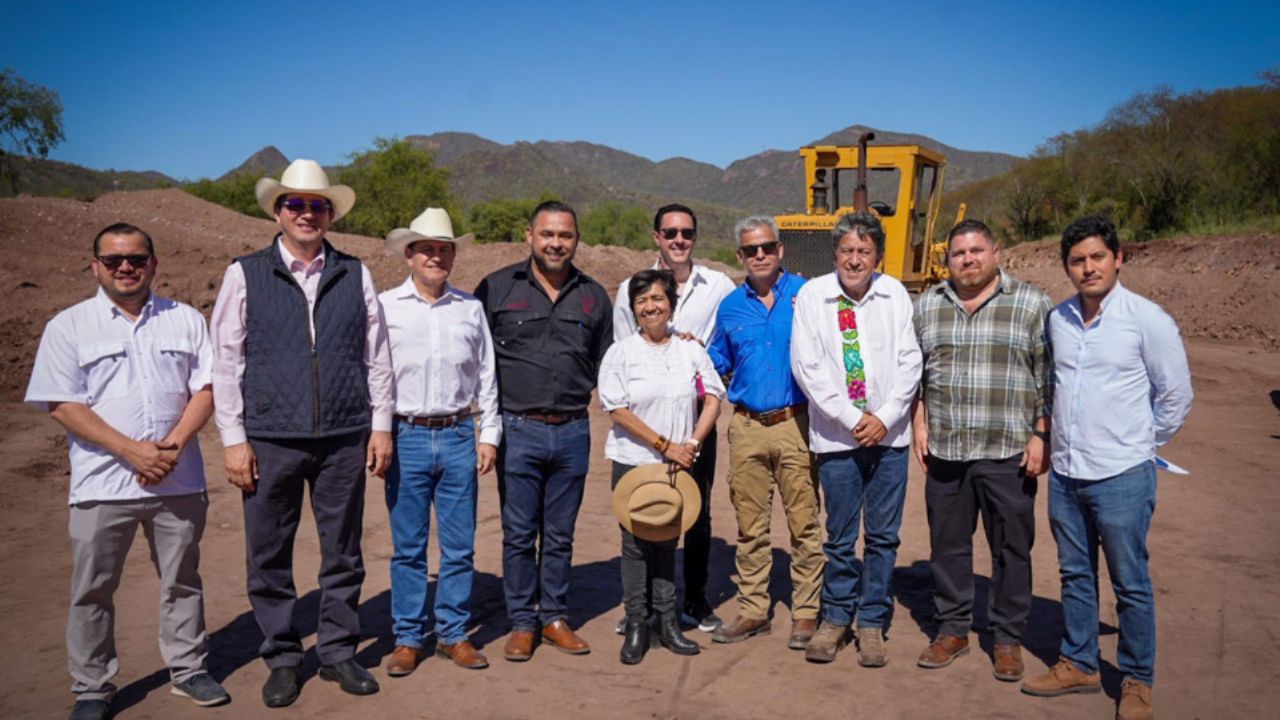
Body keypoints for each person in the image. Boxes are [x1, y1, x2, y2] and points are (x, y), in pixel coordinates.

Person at [26, 223, 229, 720]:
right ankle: (92, 687)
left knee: (182, 579)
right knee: (92, 589)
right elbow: (62, 403)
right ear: (94, 265)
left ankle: (188, 670)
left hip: (178, 479)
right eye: (114, 259)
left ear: (154, 263)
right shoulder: (68, 326)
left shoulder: (184, 319)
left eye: (136, 258)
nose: (125, 267)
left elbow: (207, 388)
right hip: (102, 484)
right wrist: (132, 451)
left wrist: (171, 446)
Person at [211, 159, 394, 707]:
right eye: (296, 204)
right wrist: (233, 439)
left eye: (317, 205)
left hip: (343, 435)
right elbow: (225, 362)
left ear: (330, 213)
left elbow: (377, 357)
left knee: (343, 552)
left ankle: (338, 651)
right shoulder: (244, 273)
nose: (307, 213)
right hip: (270, 436)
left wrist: (380, 426)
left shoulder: (356, 272)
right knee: (269, 553)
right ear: (278, 211)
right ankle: (283, 656)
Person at [1022, 216, 1192, 720]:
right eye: (1077, 260)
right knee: (1075, 574)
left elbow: (1177, 396)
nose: (1088, 267)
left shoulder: (1147, 319)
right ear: (1066, 268)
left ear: (1119, 258)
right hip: (1069, 474)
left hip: (1122, 474)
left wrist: (1140, 444)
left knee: (1130, 582)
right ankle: (1079, 662)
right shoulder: (1059, 320)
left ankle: (1138, 679)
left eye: (1098, 257)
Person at [912, 218, 1053, 682]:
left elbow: (1047, 377)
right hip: (948, 449)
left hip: (1007, 450)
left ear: (996, 253)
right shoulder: (928, 305)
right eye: (958, 254)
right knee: (947, 546)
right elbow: (916, 374)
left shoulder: (1031, 304)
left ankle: (1007, 637)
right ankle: (952, 628)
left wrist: (1042, 434)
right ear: (946, 260)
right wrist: (919, 422)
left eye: (976, 251)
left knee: (1012, 547)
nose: (967, 260)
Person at [475, 200, 613, 662]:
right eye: (548, 234)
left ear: (577, 240)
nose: (557, 243)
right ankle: (521, 622)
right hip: (518, 429)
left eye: (566, 236)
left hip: (574, 430)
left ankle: (553, 617)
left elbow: (603, 361)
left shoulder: (593, 295)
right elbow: (478, 360)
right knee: (518, 532)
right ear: (529, 235)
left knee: (559, 533)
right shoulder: (495, 289)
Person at [791, 212, 922, 666]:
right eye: (847, 250)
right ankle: (835, 620)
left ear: (878, 256)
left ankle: (871, 623)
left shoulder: (895, 295)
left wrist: (884, 417)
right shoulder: (813, 296)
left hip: (890, 438)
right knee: (841, 536)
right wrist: (851, 417)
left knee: (883, 538)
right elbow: (807, 366)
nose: (854, 258)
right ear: (835, 254)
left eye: (864, 251)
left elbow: (911, 361)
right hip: (837, 439)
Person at [378, 208, 499, 675]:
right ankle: (408, 637)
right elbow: (376, 376)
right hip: (405, 434)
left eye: (444, 249)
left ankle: (452, 633)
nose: (436, 256)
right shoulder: (386, 306)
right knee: (408, 545)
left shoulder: (470, 308)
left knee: (459, 543)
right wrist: (381, 432)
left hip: (458, 435)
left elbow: (486, 375)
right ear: (409, 254)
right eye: (427, 248)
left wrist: (488, 435)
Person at [611, 203, 735, 632]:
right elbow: (622, 354)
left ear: (694, 237)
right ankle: (640, 610)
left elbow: (728, 342)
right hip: (645, 425)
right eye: (671, 232)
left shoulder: (718, 286)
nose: (679, 240)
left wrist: (701, 350)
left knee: (695, 510)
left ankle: (695, 598)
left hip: (696, 420)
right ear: (656, 237)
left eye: (687, 233)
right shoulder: (631, 288)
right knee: (645, 510)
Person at [707, 216, 825, 650]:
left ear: (781, 250)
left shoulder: (807, 295)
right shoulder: (730, 307)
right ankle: (754, 609)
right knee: (750, 526)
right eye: (751, 250)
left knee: (805, 523)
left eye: (767, 247)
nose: (760, 255)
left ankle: (807, 612)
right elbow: (714, 360)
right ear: (740, 256)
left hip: (797, 423)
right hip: (748, 427)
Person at [599, 269, 725, 664]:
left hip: (678, 464)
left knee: (668, 540)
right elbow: (617, 409)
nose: (650, 307)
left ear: (670, 303)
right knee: (636, 544)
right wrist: (664, 445)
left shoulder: (689, 350)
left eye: (657, 299)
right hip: (635, 463)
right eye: (642, 301)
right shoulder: (620, 353)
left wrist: (690, 444)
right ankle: (637, 622)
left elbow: (714, 397)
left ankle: (668, 622)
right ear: (633, 309)